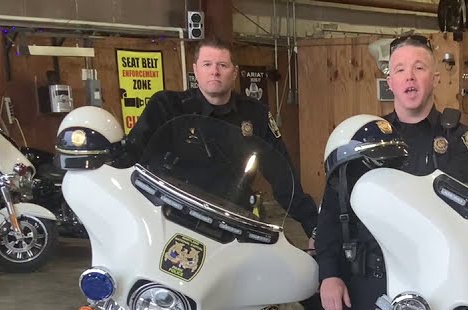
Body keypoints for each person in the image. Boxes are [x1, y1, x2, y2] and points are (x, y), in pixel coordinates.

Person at [314, 33, 468, 310]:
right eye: (400, 69)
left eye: (419, 67)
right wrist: (329, 275)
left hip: (438, 284)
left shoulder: (460, 142)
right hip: (370, 281)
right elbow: (333, 211)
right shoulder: (361, 141)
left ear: (434, 79)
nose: (409, 76)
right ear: (389, 81)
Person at [118, 36, 319, 237]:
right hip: (174, 219)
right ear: (196, 70)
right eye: (207, 64)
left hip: (233, 222)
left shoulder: (254, 114)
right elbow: (132, 156)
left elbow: (283, 176)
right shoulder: (167, 106)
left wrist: (315, 227)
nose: (215, 71)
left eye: (222, 65)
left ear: (234, 73)